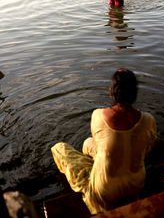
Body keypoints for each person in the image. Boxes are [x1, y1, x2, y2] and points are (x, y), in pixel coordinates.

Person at [51, 69, 156, 215]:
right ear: (134, 93)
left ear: (111, 91)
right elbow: (148, 148)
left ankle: (98, 169)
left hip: (105, 192)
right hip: (135, 185)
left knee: (59, 148)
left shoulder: (98, 115)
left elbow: (101, 142)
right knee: (89, 143)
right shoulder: (149, 120)